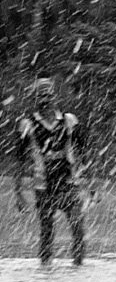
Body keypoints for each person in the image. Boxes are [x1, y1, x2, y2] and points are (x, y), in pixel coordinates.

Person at [13, 74, 86, 265]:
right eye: (41, 96)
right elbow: (20, 161)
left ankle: (78, 266)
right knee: (47, 231)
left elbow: (82, 151)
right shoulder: (28, 125)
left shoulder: (69, 121)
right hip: (44, 186)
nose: (45, 101)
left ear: (54, 97)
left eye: (48, 96)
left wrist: (83, 177)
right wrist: (18, 191)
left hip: (68, 182)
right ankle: (45, 267)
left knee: (78, 226)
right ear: (36, 99)